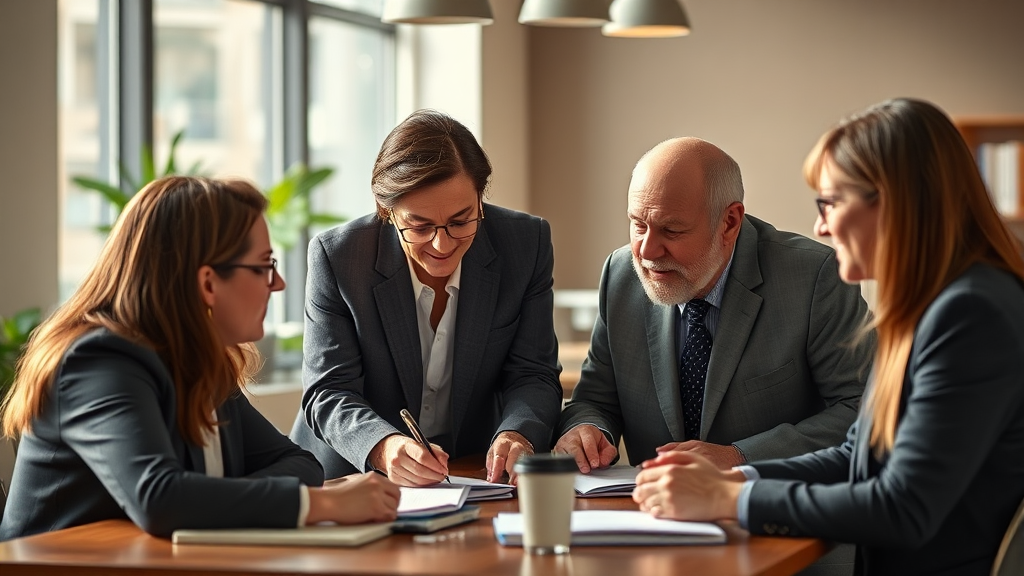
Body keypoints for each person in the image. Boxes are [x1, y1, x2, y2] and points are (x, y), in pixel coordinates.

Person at [633, 98, 1024, 576]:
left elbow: (904, 507)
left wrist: (731, 498)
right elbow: (856, 457)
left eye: (830, 204)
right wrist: (732, 478)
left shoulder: (970, 313)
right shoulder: (934, 306)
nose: (820, 226)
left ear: (896, 203)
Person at [0, 176, 400, 540]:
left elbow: (299, 462)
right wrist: (319, 504)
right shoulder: (99, 361)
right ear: (208, 283)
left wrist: (214, 496)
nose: (278, 283)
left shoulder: (200, 359)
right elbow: (160, 498)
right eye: (264, 267)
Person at [553, 136, 874, 474]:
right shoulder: (620, 275)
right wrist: (585, 429)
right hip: (652, 511)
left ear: (729, 223)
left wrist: (740, 457)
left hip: (772, 506)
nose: (646, 252)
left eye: (672, 230)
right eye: (638, 224)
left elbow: (864, 409)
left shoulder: (812, 278)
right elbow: (594, 399)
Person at [290, 109, 563, 486]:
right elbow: (328, 390)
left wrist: (516, 434)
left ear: (480, 199)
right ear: (387, 211)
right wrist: (384, 446)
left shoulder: (525, 243)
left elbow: (533, 373)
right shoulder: (340, 257)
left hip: (473, 474)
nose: (442, 243)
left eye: (460, 220)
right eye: (419, 226)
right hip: (349, 479)